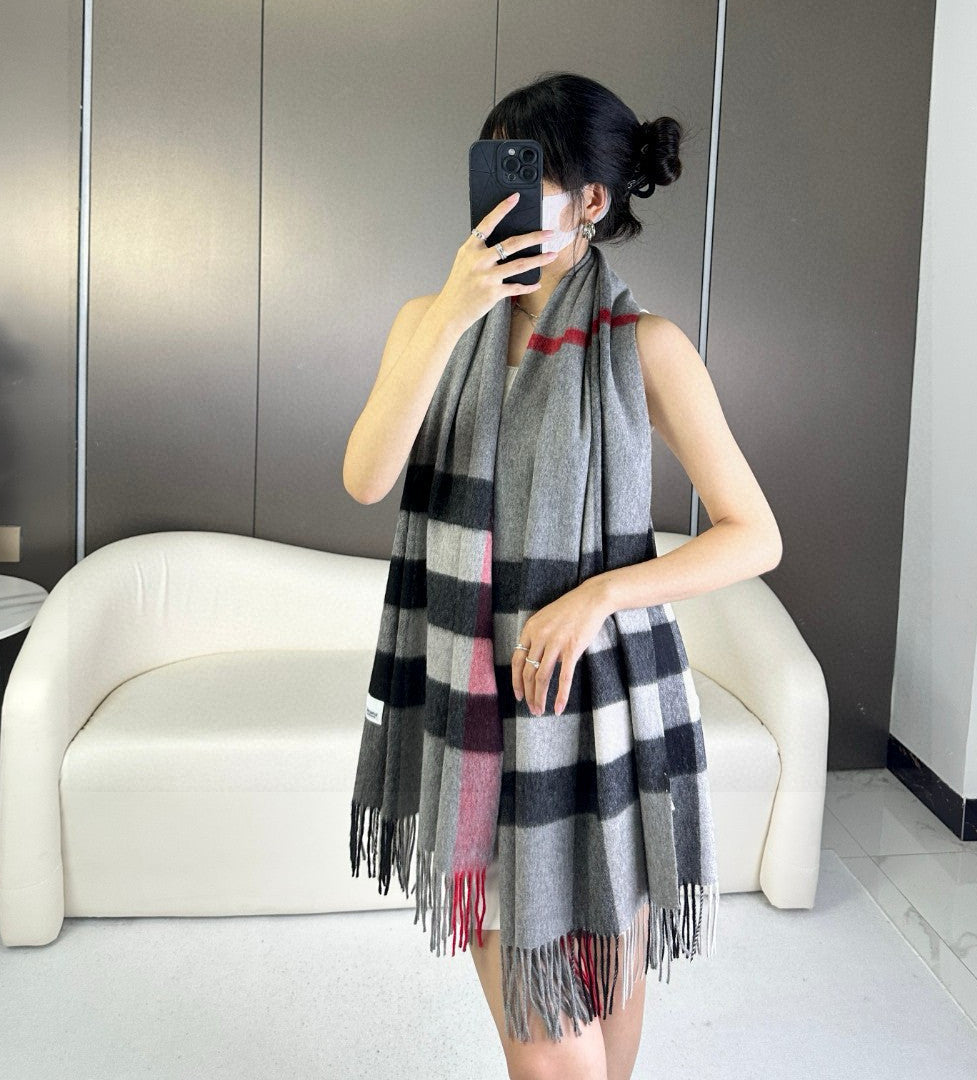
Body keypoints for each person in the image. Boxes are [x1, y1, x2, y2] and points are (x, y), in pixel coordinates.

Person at [344, 72, 781, 1080]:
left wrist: (601, 594)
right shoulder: (428, 322)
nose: (498, 198)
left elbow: (754, 535)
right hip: (477, 719)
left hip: (606, 717)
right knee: (557, 1059)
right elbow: (366, 477)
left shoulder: (645, 348)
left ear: (590, 201)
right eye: (491, 168)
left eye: (525, 174)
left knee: (609, 1029)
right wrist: (455, 312)